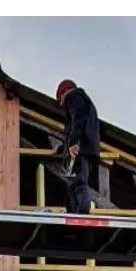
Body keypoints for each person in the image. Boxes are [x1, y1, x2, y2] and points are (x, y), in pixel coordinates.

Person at [55, 79, 101, 215]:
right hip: (89, 150)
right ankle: (76, 212)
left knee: (77, 182)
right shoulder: (87, 104)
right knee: (75, 184)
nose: (63, 107)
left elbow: (78, 119)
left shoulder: (73, 97)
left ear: (63, 93)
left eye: (61, 102)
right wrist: (64, 147)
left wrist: (73, 142)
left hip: (80, 149)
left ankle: (81, 213)